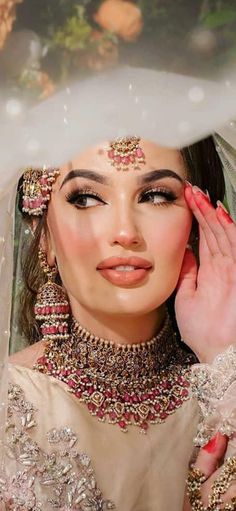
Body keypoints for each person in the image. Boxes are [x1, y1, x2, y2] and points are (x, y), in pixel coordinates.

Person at [0, 133, 236, 511]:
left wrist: (221, 353)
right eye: (86, 198)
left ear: (196, 224)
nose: (125, 232)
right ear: (43, 234)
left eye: (156, 196)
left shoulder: (225, 395)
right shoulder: (9, 414)